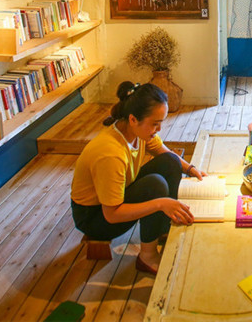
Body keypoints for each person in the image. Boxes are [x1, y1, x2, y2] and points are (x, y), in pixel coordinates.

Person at [70, 81, 204, 274]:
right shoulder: (111, 153)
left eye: (161, 123)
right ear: (133, 119)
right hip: (95, 217)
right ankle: (147, 257)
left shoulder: (135, 131)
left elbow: (162, 150)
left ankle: (163, 228)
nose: (158, 129)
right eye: (155, 124)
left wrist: (191, 169)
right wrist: (160, 204)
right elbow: (112, 214)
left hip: (116, 197)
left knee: (170, 161)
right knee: (154, 186)